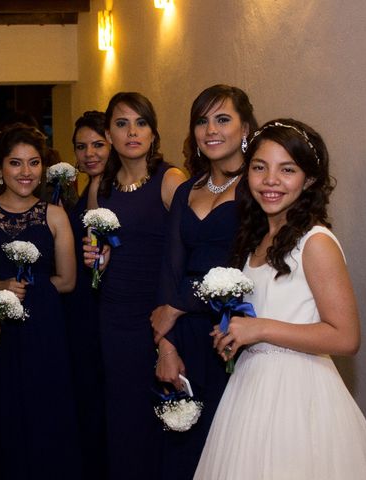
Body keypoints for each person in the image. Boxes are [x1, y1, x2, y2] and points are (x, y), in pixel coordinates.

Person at [194, 119, 366, 479]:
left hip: (299, 397)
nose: (270, 181)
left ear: (309, 179)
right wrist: (234, 335)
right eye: (260, 168)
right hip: (249, 392)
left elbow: (346, 337)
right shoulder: (254, 239)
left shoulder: (315, 242)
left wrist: (260, 329)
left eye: (287, 170)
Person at [151, 85, 257, 478]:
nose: (210, 129)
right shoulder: (186, 190)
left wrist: (177, 306)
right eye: (202, 120)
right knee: (183, 445)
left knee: (230, 449)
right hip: (185, 336)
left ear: (245, 127)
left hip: (233, 332)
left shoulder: (258, 188)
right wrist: (165, 345)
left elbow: (247, 271)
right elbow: (170, 270)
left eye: (222, 119)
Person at [87, 92, 186, 480]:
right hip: (114, 316)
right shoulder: (101, 188)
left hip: (157, 316)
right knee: (123, 415)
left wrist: (168, 334)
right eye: (122, 123)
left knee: (162, 414)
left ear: (153, 131)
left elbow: (182, 258)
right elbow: (97, 258)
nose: (132, 132)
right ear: (108, 134)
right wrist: (96, 261)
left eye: (141, 123)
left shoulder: (170, 180)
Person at [0, 123, 82, 480]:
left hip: (43, 326)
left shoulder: (54, 214)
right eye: (16, 163)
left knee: (44, 411)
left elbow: (67, 280)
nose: (26, 173)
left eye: (34, 163)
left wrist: (27, 286)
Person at [62, 110, 110, 479]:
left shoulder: (112, 187)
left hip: (101, 303)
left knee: (100, 391)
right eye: (82, 146)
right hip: (81, 302)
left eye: (98, 144)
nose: (90, 153)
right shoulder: (88, 187)